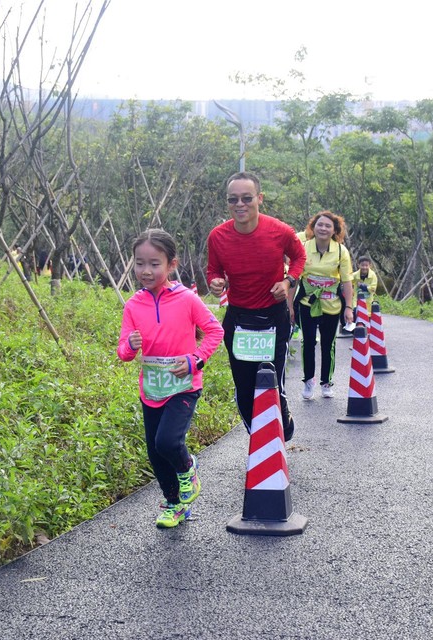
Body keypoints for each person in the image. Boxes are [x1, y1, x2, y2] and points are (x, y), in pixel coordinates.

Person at [117, 229, 224, 528]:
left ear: (171, 264)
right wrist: (131, 346)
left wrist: (195, 361)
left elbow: (215, 331)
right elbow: (123, 352)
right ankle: (174, 504)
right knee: (155, 451)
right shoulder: (133, 305)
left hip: (184, 386)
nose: (146, 271)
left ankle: (188, 468)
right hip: (152, 389)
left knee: (167, 441)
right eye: (140, 263)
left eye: (154, 264)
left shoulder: (187, 299)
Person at [206, 172, 306, 441]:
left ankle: (280, 428)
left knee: (271, 384)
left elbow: (299, 257)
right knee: (245, 389)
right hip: (239, 320)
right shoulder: (217, 236)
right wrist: (215, 282)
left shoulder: (280, 231)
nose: (240, 204)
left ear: (259, 198)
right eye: (233, 199)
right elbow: (213, 269)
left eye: (247, 198)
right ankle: (260, 443)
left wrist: (288, 282)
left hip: (273, 318)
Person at [296, 211, 354, 399]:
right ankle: (308, 381)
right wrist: (289, 306)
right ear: (313, 228)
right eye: (319, 225)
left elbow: (347, 281)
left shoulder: (341, 251)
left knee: (328, 344)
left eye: (328, 226)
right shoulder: (303, 248)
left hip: (332, 305)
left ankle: (326, 382)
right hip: (307, 303)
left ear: (335, 230)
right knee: (308, 342)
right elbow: (294, 278)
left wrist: (349, 307)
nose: (323, 228)